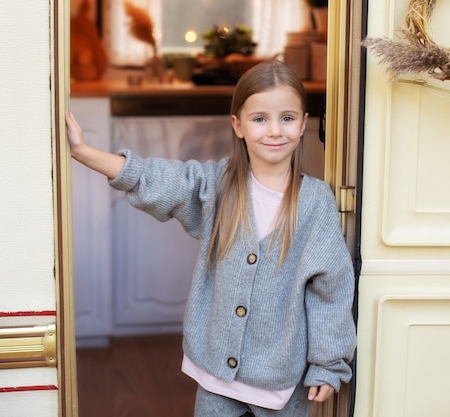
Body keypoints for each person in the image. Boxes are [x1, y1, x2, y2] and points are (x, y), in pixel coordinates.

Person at [66, 59, 356, 417]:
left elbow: (331, 292)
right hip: (216, 377)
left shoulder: (316, 203)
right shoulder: (218, 187)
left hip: (281, 383)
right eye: (260, 119)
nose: (275, 131)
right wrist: (83, 151)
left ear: (303, 124)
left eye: (287, 118)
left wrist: (328, 365)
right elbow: (157, 179)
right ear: (237, 125)